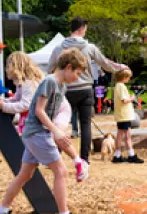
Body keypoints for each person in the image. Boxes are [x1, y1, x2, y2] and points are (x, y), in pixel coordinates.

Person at [0, 48, 90, 214]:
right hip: (38, 133)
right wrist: (55, 131)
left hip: (33, 134)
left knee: (25, 174)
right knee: (61, 172)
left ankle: (1, 212)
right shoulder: (50, 81)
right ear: (68, 67)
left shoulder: (61, 85)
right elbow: (38, 110)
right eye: (77, 73)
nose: (78, 77)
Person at [47, 17, 126, 164]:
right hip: (85, 90)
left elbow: (50, 67)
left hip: (65, 90)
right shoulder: (90, 48)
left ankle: (55, 157)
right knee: (85, 124)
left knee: (60, 123)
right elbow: (106, 64)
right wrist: (121, 67)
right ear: (82, 29)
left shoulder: (59, 48)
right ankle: (84, 158)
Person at [112, 68, 144, 164]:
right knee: (127, 135)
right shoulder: (121, 86)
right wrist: (131, 98)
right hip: (124, 115)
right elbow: (124, 100)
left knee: (120, 134)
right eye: (128, 77)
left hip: (120, 114)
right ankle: (131, 154)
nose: (129, 79)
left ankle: (117, 155)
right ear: (124, 77)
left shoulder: (117, 86)